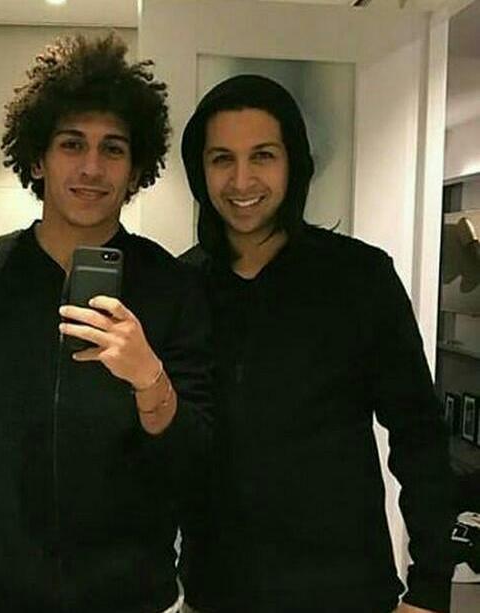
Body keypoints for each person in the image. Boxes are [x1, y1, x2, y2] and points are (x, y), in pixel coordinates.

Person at [0, 34, 212, 613]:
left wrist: (150, 379)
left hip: (132, 597)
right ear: (38, 157)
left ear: (136, 169)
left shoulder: (174, 288)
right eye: (72, 144)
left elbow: (196, 458)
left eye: (113, 148)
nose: (92, 167)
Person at [178, 75, 455, 613]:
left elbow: (419, 433)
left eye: (263, 155)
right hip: (217, 593)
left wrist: (430, 586)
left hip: (347, 590)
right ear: (199, 170)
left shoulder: (361, 278)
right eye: (222, 159)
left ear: (293, 164)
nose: (241, 180)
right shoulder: (181, 289)